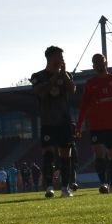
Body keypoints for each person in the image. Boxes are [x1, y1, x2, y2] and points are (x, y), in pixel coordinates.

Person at [74, 53, 112, 194]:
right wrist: (79, 124)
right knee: (99, 153)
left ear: (106, 62)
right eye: (95, 62)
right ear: (93, 65)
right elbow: (84, 105)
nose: (98, 64)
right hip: (96, 125)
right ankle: (103, 183)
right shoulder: (90, 83)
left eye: (100, 61)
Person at [29, 46, 78, 197]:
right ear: (50, 58)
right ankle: (49, 187)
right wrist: (55, 77)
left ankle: (65, 187)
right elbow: (40, 92)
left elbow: (72, 90)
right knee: (48, 155)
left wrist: (64, 75)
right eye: (59, 57)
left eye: (62, 57)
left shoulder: (66, 75)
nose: (62, 60)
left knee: (66, 155)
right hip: (48, 122)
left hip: (64, 121)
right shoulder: (38, 76)